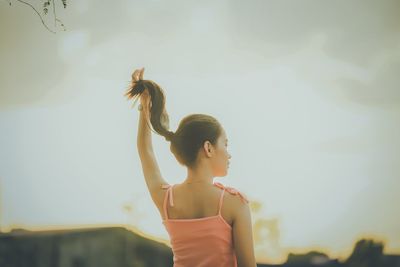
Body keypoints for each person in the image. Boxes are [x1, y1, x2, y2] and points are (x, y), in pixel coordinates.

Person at [124, 67, 257, 267]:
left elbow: (145, 151)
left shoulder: (166, 200)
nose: (229, 153)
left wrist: (145, 107)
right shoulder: (235, 204)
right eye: (225, 144)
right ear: (208, 148)